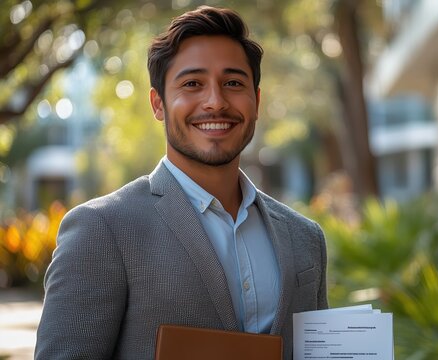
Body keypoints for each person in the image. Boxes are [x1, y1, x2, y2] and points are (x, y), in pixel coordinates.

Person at [35, 6, 328, 359]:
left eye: (233, 83)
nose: (215, 102)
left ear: (257, 101)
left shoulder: (305, 238)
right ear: (158, 103)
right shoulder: (101, 230)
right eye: (192, 84)